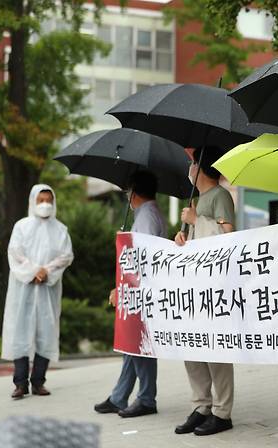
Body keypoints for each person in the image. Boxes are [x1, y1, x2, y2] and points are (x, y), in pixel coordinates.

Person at [173, 146, 235, 437]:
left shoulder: (221, 195)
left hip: (215, 286)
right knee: (192, 344)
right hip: (195, 285)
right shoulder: (199, 198)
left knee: (215, 348)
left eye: (192, 164)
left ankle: (222, 411)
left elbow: (228, 237)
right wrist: (185, 236)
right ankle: (201, 405)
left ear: (200, 167)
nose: (189, 169)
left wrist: (199, 222)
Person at [94, 171, 167, 418]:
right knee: (130, 344)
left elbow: (140, 259)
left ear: (133, 192)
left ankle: (146, 398)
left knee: (138, 342)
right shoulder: (146, 214)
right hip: (138, 289)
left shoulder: (147, 215)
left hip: (141, 290)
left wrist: (122, 288)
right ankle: (119, 396)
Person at [2, 184, 74, 399]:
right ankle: (20, 383)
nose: (45, 205)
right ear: (33, 201)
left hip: (47, 288)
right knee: (20, 331)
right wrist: (33, 271)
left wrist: (46, 271)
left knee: (46, 332)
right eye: (41, 200)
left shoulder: (60, 230)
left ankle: (39, 381)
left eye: (48, 201)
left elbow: (66, 256)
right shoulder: (21, 227)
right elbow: (15, 253)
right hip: (23, 287)